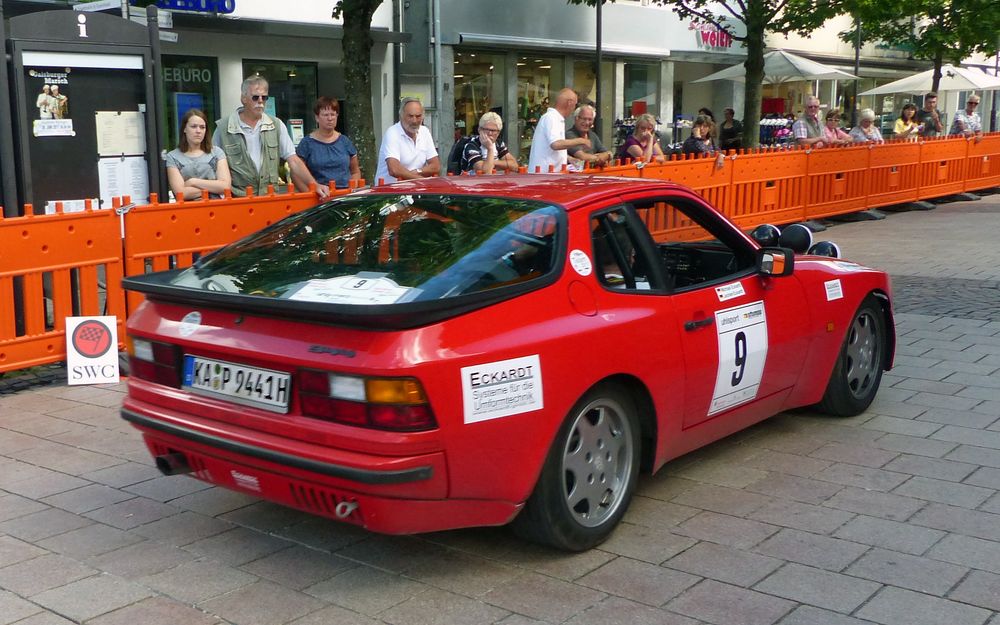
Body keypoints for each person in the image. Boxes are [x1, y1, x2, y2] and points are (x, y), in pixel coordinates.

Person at [214, 76, 326, 198]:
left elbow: (293, 160)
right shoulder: (223, 128)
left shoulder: (276, 125)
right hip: (237, 202)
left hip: (269, 199)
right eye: (255, 97)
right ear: (243, 98)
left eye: (264, 97)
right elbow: (212, 165)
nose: (260, 101)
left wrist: (314, 184)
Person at [166, 109, 232, 201]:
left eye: (202, 127)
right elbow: (180, 193)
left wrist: (192, 182)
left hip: (216, 209)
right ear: (184, 128)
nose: (198, 131)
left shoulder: (217, 152)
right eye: (193, 126)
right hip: (188, 211)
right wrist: (214, 187)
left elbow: (225, 187)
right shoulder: (172, 157)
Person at [295, 97, 360, 190]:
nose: (330, 118)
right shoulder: (306, 143)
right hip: (319, 195)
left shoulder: (345, 141)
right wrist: (309, 193)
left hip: (344, 196)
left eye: (333, 114)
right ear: (317, 117)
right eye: (325, 115)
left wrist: (353, 187)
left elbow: (355, 171)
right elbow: (296, 174)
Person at [374, 97, 441, 184]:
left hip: (414, 190)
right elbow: (394, 170)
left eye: (418, 116)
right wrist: (420, 181)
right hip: (390, 192)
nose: (414, 121)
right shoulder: (392, 133)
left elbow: (436, 166)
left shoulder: (425, 132)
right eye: (410, 116)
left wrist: (417, 171)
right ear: (401, 116)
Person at [527, 87, 589, 173]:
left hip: (549, 175)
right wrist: (581, 141)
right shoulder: (551, 118)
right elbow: (555, 144)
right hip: (544, 177)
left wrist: (569, 158)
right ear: (569, 103)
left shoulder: (554, 118)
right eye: (575, 104)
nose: (574, 108)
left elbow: (550, 148)